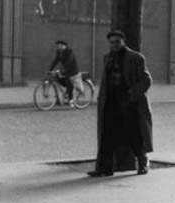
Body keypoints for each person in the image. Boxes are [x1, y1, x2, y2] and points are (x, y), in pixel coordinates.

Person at [89, 30, 153, 177]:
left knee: (134, 134)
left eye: (117, 42)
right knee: (107, 136)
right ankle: (105, 168)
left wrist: (132, 94)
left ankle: (143, 163)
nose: (114, 45)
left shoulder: (136, 58)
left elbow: (146, 80)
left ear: (123, 42)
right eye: (112, 42)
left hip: (129, 104)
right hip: (111, 103)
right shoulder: (107, 58)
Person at [48, 40, 81, 105]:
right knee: (58, 78)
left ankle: (71, 99)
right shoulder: (59, 52)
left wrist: (61, 71)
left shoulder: (69, 51)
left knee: (68, 81)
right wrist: (50, 69)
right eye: (57, 45)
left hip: (72, 70)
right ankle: (65, 94)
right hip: (64, 69)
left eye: (59, 45)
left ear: (63, 46)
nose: (57, 47)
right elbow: (55, 61)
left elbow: (69, 62)